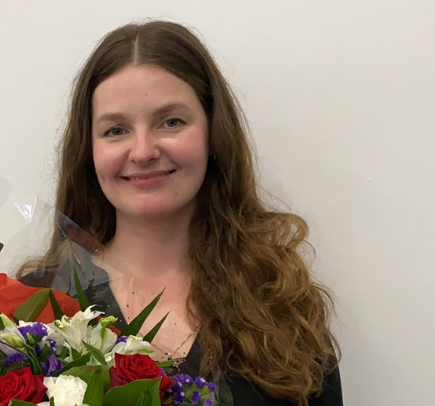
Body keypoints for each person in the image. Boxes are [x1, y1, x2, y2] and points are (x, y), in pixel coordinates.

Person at [24, 20, 342, 405]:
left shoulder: (278, 301)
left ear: (213, 134)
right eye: (116, 130)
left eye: (171, 122)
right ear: (88, 151)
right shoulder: (33, 308)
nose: (143, 151)